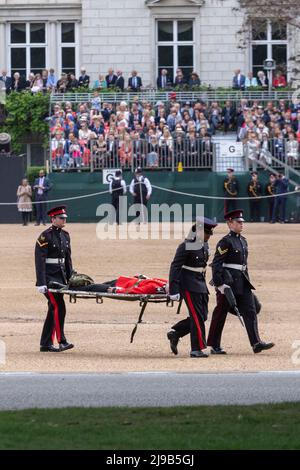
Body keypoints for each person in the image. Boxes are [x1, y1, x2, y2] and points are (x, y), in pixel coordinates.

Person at [207, 209, 274, 354]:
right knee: (220, 313)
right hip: (228, 283)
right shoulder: (225, 242)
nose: (241, 224)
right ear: (229, 223)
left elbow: (244, 265)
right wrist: (220, 285)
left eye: (242, 222)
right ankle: (214, 345)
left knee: (251, 310)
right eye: (238, 222)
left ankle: (256, 343)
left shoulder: (242, 241)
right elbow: (217, 263)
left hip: (242, 282)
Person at [167, 217, 218, 358]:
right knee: (196, 316)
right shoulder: (186, 245)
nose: (209, 236)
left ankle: (176, 333)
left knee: (203, 316)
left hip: (200, 283)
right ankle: (196, 349)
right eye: (207, 233)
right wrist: (174, 290)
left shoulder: (205, 245)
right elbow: (175, 267)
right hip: (188, 284)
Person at [35, 206, 74, 352]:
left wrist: (70, 278)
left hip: (61, 277)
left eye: (64, 218)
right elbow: (39, 261)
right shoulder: (45, 236)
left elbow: (67, 259)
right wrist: (41, 283)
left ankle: (45, 344)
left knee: (53, 308)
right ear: (53, 219)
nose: (64, 220)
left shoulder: (65, 235)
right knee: (59, 307)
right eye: (61, 218)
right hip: (49, 279)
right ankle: (61, 341)